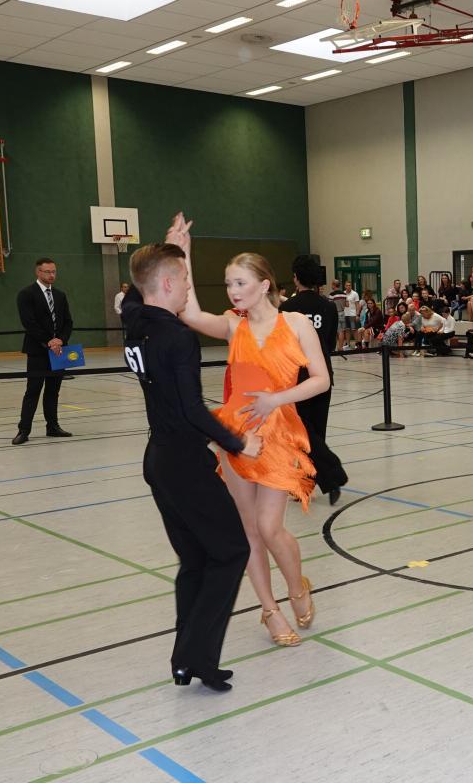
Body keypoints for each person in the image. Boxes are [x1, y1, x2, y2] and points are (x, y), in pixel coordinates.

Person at [170, 213, 329, 647]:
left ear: (264, 284)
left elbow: (321, 379)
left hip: (277, 431)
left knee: (269, 526)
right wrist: (183, 253)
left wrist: (276, 399)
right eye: (228, 284)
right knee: (248, 529)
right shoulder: (232, 324)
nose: (233, 291)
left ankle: (297, 586)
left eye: (240, 283)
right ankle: (269, 610)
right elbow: (189, 312)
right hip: (237, 434)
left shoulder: (295, 324)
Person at [120, 242, 260, 693]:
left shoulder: (134, 321)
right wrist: (240, 443)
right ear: (166, 283)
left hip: (158, 460)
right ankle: (195, 655)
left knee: (196, 559)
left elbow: (138, 291)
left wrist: (174, 249)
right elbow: (192, 410)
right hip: (184, 462)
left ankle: (186, 661)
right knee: (232, 551)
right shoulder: (177, 337)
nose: (188, 286)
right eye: (183, 278)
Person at [279, 254, 349, 505]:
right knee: (316, 430)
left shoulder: (287, 308)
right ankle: (310, 480)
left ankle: (320, 476)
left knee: (301, 432)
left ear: (295, 277)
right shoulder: (328, 307)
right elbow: (329, 343)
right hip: (323, 376)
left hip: (296, 378)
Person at [13, 257, 74, 445]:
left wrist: (60, 340)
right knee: (33, 390)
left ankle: (53, 426)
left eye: (54, 271)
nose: (51, 275)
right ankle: (24, 430)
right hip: (38, 350)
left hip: (58, 351)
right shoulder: (26, 294)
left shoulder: (60, 295)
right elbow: (29, 323)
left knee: (53, 391)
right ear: (38, 272)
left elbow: (68, 322)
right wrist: (49, 341)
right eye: (48, 272)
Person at [338, 280, 360, 350]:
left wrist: (357, 314)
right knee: (347, 330)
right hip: (345, 314)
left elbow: (357, 305)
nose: (348, 286)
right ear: (345, 286)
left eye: (349, 285)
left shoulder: (355, 294)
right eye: (347, 285)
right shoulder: (343, 293)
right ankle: (348, 344)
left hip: (352, 314)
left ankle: (357, 344)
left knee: (354, 329)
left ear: (351, 286)